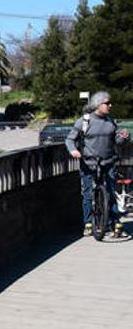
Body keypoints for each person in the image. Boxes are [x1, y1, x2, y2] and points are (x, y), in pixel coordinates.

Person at [66, 91, 130, 237]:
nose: (110, 106)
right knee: (87, 194)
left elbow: (117, 141)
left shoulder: (111, 122)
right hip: (89, 163)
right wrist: (73, 151)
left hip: (108, 162)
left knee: (110, 193)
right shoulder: (84, 121)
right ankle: (88, 223)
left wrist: (124, 137)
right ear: (98, 105)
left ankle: (116, 223)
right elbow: (69, 139)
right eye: (107, 103)